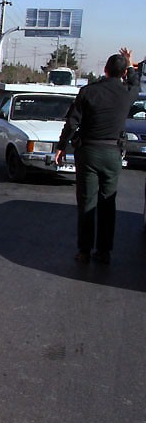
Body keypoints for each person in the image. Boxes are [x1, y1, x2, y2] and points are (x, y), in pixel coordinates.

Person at [54, 48, 140, 264]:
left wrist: (61, 146)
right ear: (122, 74)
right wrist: (130, 64)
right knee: (107, 203)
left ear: (105, 70)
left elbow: (72, 122)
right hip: (113, 154)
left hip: (89, 152)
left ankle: (84, 251)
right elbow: (135, 81)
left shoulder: (88, 92)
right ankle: (104, 251)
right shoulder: (127, 93)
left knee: (86, 202)